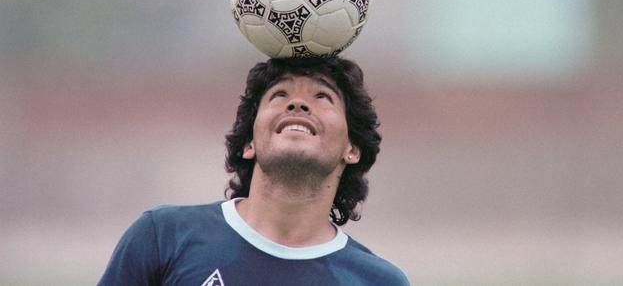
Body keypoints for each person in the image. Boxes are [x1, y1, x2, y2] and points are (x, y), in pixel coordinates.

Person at [98, 56, 409, 286]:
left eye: (321, 96)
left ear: (351, 149)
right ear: (249, 142)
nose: (298, 104)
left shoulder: (378, 281)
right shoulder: (162, 237)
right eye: (280, 94)